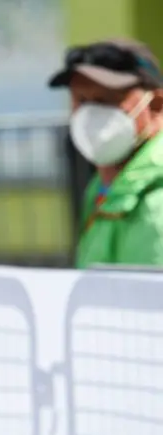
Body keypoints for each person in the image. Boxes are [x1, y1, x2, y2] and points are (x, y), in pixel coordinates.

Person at [48, 38, 163, 268]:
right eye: (81, 100)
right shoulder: (102, 187)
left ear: (156, 105)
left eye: (105, 100)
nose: (90, 115)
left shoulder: (156, 196)